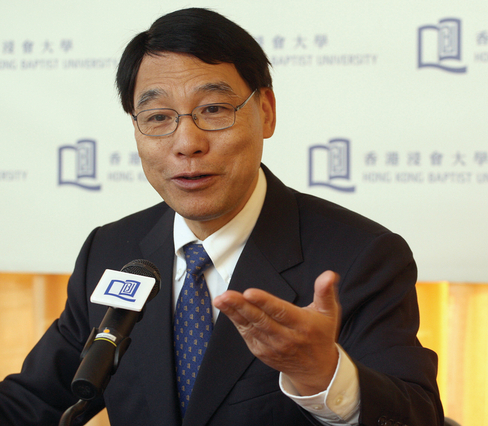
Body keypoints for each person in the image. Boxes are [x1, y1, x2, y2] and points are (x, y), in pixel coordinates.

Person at [0, 8, 443, 426]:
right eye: (158, 117)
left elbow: (416, 415)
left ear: (265, 111)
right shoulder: (112, 250)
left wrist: (323, 375)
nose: (187, 143)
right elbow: (33, 402)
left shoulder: (359, 256)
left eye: (213, 109)